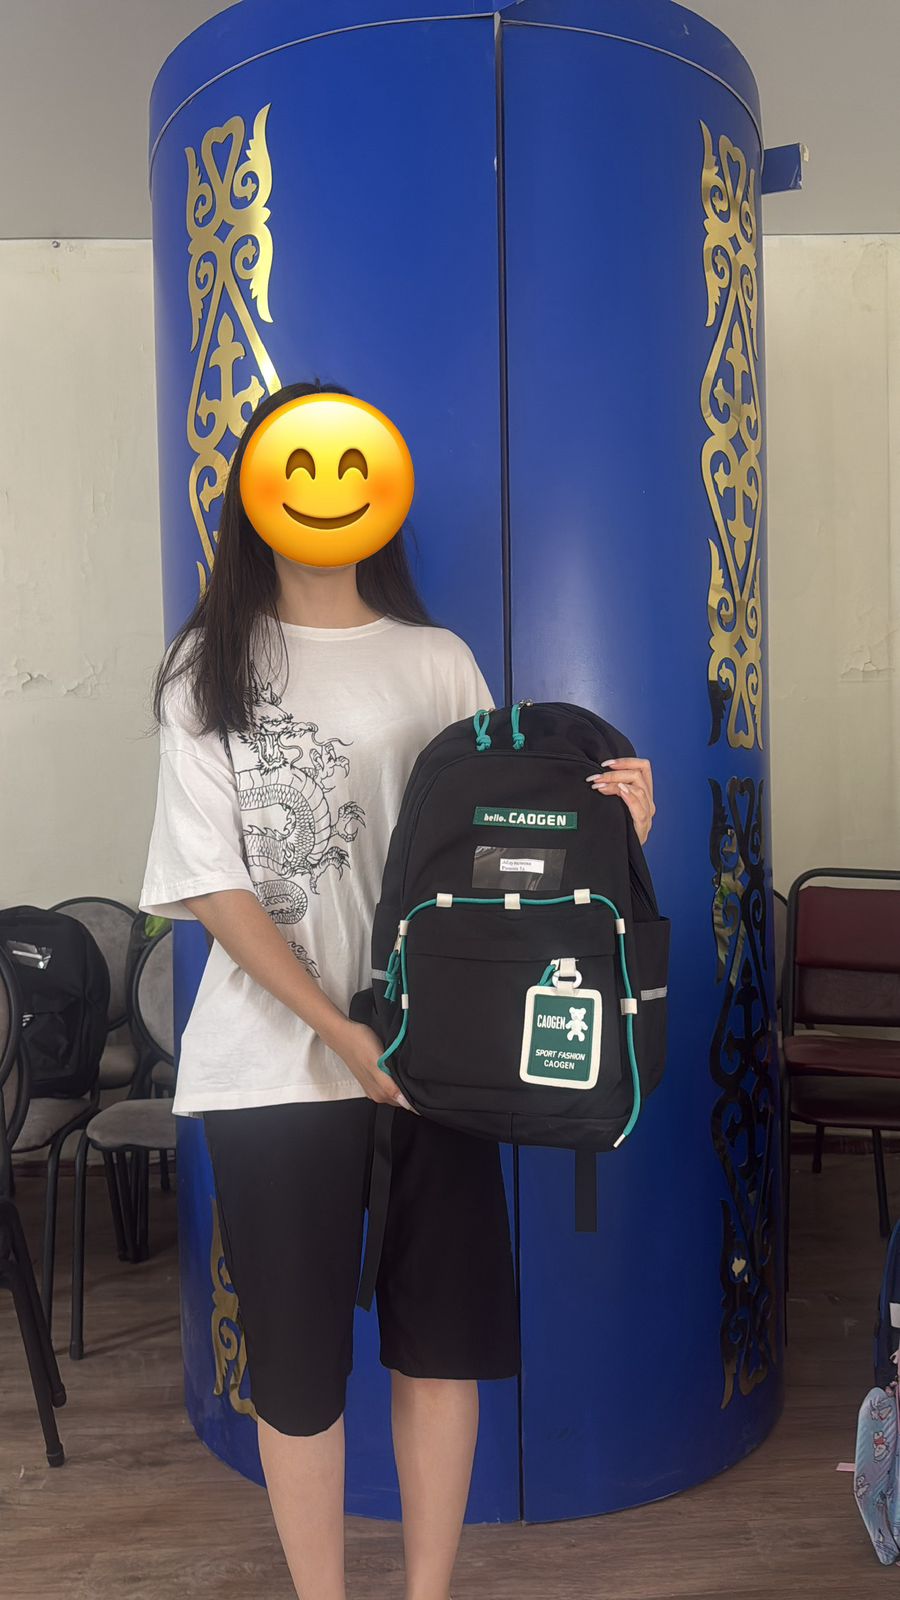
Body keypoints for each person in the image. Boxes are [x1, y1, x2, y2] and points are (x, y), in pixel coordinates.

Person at [140, 380, 657, 1600]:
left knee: (440, 1349)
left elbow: (506, 845)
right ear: (255, 495)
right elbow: (214, 886)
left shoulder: (438, 661)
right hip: (274, 1071)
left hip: (441, 1060)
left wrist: (618, 830)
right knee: (297, 1373)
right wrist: (340, 1031)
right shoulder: (206, 667)